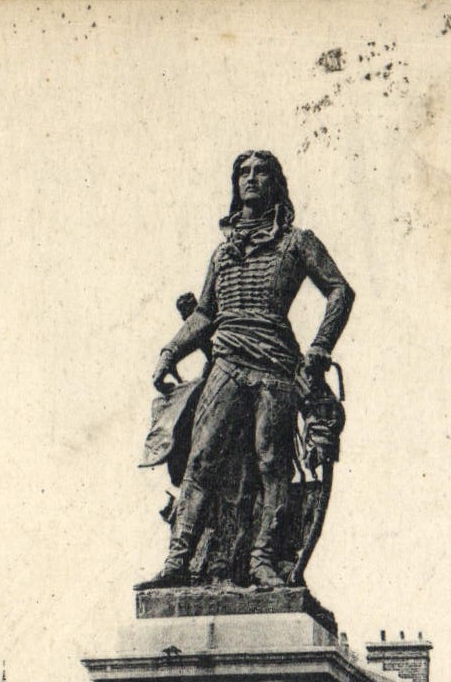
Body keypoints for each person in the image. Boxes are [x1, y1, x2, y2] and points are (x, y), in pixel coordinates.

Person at [140, 151, 354, 590]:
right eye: (244, 172)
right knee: (201, 458)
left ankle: (262, 560)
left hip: (276, 365)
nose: (251, 179)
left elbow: (339, 290)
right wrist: (170, 352)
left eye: (261, 172)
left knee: (273, 463)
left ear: (276, 183)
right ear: (235, 183)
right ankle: (178, 561)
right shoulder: (222, 253)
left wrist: (319, 348)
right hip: (228, 363)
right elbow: (204, 315)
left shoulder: (297, 242)